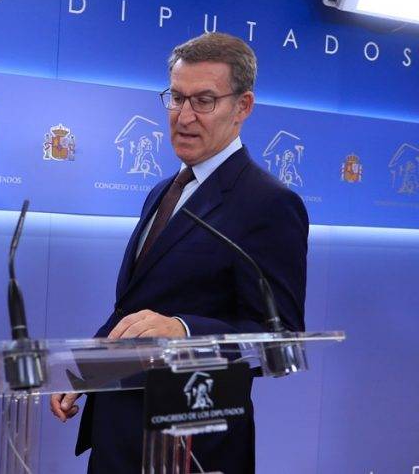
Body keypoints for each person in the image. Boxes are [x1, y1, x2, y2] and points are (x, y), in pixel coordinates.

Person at [50, 32, 308, 473]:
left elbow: (280, 339)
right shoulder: (161, 191)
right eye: (176, 98)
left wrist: (184, 329)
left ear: (242, 107)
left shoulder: (268, 202)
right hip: (120, 432)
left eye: (204, 101)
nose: (183, 116)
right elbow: (135, 308)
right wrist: (86, 368)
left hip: (195, 445)